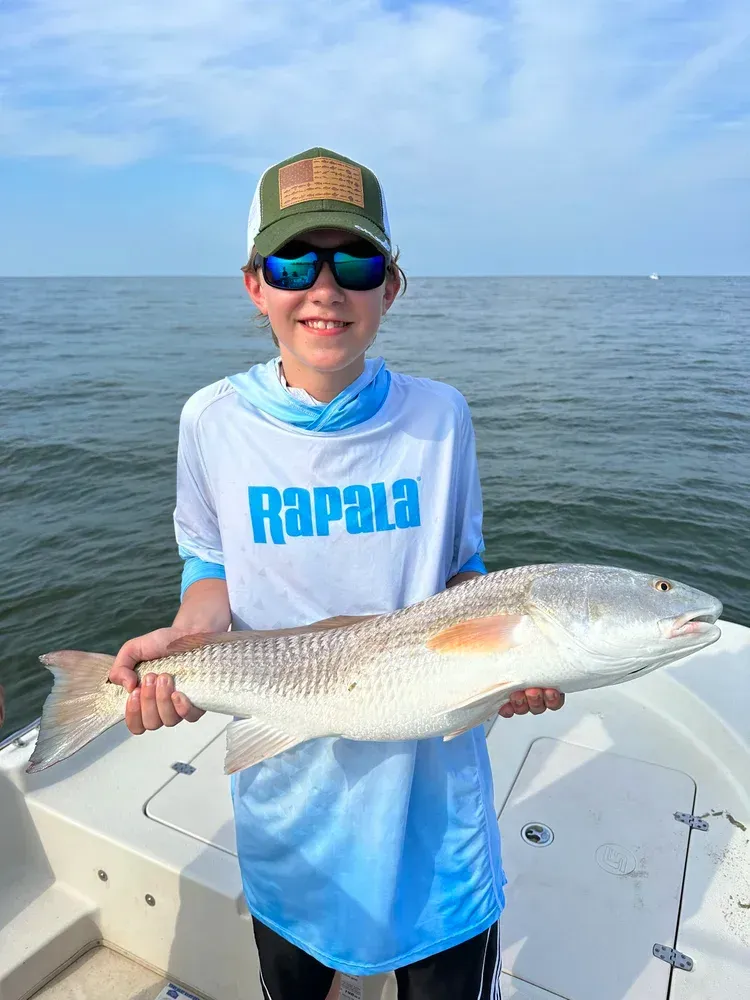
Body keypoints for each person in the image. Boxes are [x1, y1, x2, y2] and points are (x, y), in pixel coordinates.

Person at [109, 147, 565, 1000]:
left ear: (390, 286)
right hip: (293, 790)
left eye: (355, 262)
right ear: (256, 286)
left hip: (434, 783)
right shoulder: (210, 420)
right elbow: (209, 571)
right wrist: (190, 636)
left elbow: (464, 572)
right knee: (296, 982)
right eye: (293, 263)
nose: (325, 289)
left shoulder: (441, 414)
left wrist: (513, 656)